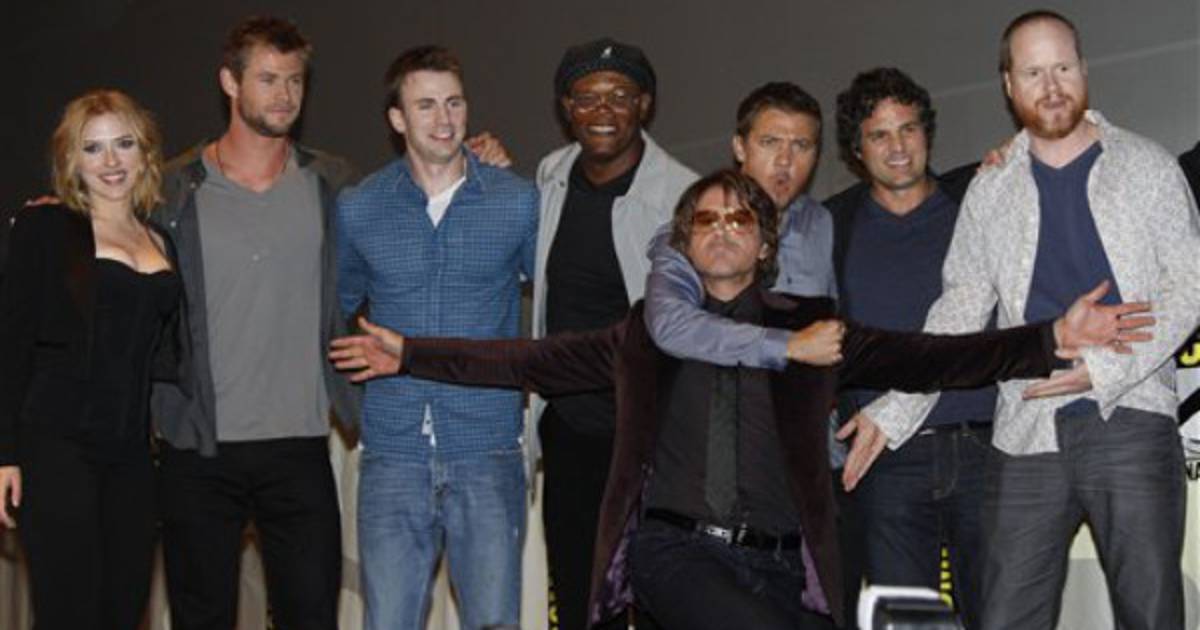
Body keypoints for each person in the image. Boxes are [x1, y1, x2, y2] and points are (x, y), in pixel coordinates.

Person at [331, 169, 1141, 630]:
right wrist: (411, 352)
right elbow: (526, 358)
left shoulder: (813, 328)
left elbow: (937, 357)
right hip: (676, 554)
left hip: (786, 567)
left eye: (740, 219)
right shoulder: (643, 333)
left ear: (764, 241)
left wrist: (1050, 338)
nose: (723, 229)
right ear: (684, 243)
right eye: (707, 220)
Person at [842, 10, 1200, 630]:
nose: (1051, 86)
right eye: (1034, 72)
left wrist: (1103, 369)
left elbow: (1190, 286)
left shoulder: (1147, 166)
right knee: (1006, 616)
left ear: (1083, 69)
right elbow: (958, 311)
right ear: (1009, 85)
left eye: (1062, 67)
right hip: (1024, 429)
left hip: (1132, 417)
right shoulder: (991, 189)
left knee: (1151, 613)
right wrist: (893, 409)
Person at [336, 45, 538, 630]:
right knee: (388, 621)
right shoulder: (360, 208)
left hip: (487, 447)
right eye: (425, 105)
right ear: (397, 118)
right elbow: (337, 312)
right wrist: (355, 407)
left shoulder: (516, 201)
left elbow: (554, 308)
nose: (444, 119)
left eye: (454, 102)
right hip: (392, 452)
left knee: (493, 622)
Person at [822, 67, 996, 628]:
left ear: (927, 133)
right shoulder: (832, 226)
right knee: (908, 621)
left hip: (985, 448)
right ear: (856, 149)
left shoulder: (975, 204)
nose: (897, 147)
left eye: (908, 129)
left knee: (1000, 616)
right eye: (879, 134)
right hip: (885, 459)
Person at [0, 89, 181, 629]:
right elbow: (11, 341)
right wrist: (4, 455)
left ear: (145, 152)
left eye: (123, 144)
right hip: (56, 446)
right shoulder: (45, 228)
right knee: (68, 613)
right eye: (93, 148)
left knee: (124, 608)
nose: (110, 161)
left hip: (131, 457)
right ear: (72, 161)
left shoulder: (161, 239)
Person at [533, 36, 696, 630]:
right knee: (580, 601)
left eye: (620, 96)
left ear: (644, 104)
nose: (603, 111)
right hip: (568, 432)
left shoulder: (684, 195)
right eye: (587, 97)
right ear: (567, 107)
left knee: (659, 600)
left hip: (650, 438)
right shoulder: (550, 177)